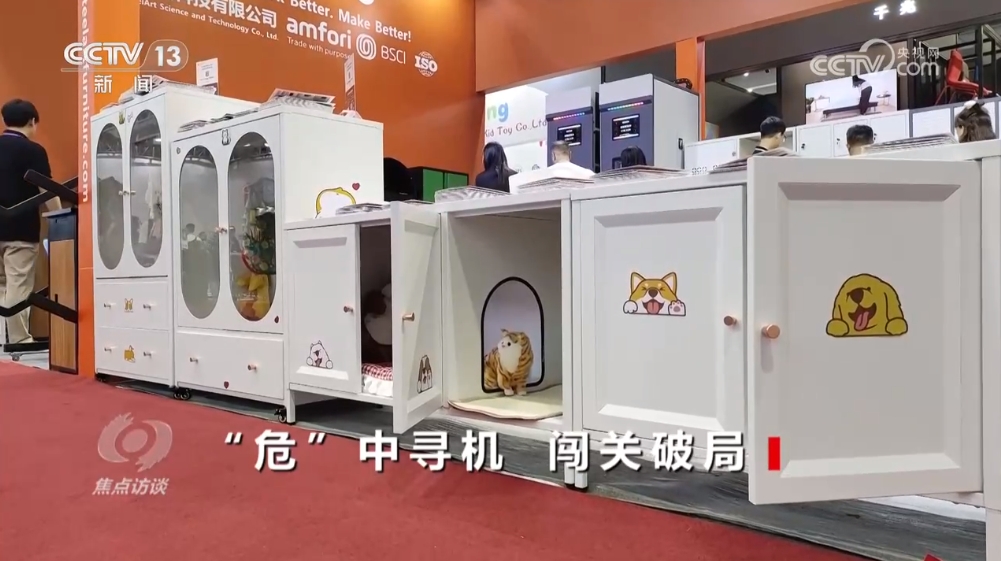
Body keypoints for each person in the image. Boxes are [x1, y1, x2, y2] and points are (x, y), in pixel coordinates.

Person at [0, 99, 54, 345]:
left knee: (2, 284)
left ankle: (2, 339)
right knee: (18, 284)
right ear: (32, 121)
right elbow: (46, 189)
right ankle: (19, 339)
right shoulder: (33, 151)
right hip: (21, 229)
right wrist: (60, 215)